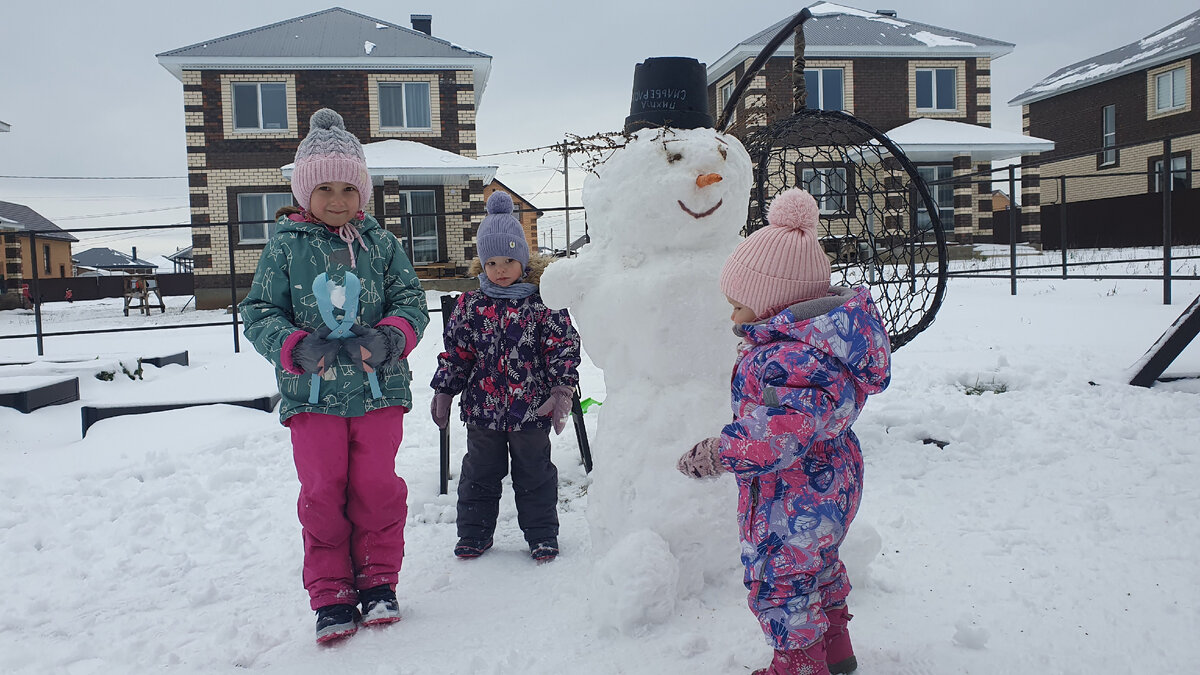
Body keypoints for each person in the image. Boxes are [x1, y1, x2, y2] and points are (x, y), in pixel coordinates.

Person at [677, 188, 891, 675]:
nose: (732, 316)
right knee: (818, 566)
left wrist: (719, 452)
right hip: (832, 481)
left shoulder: (785, 359)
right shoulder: (823, 343)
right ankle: (835, 649)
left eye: (738, 305)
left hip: (791, 495)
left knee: (780, 583)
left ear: (773, 302)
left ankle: (798, 665)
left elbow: (779, 435)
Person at [240, 108, 429, 644]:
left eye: (349, 187)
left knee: (377, 488)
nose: (338, 199)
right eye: (324, 187)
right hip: (313, 396)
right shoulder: (284, 247)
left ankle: (378, 580)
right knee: (323, 492)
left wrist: (391, 338)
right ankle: (331, 592)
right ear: (304, 191)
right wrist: (294, 347)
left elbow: (412, 303)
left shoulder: (383, 245)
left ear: (363, 191)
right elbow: (259, 312)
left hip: (378, 392)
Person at [430, 191, 581, 563]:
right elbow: (458, 353)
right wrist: (445, 389)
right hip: (483, 411)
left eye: (509, 260)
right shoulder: (471, 305)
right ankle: (474, 534)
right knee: (479, 474)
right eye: (492, 262)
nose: (500, 269)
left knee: (535, 474)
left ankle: (542, 535)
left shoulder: (542, 303)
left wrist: (562, 389)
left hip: (532, 409)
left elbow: (562, 346)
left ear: (523, 260)